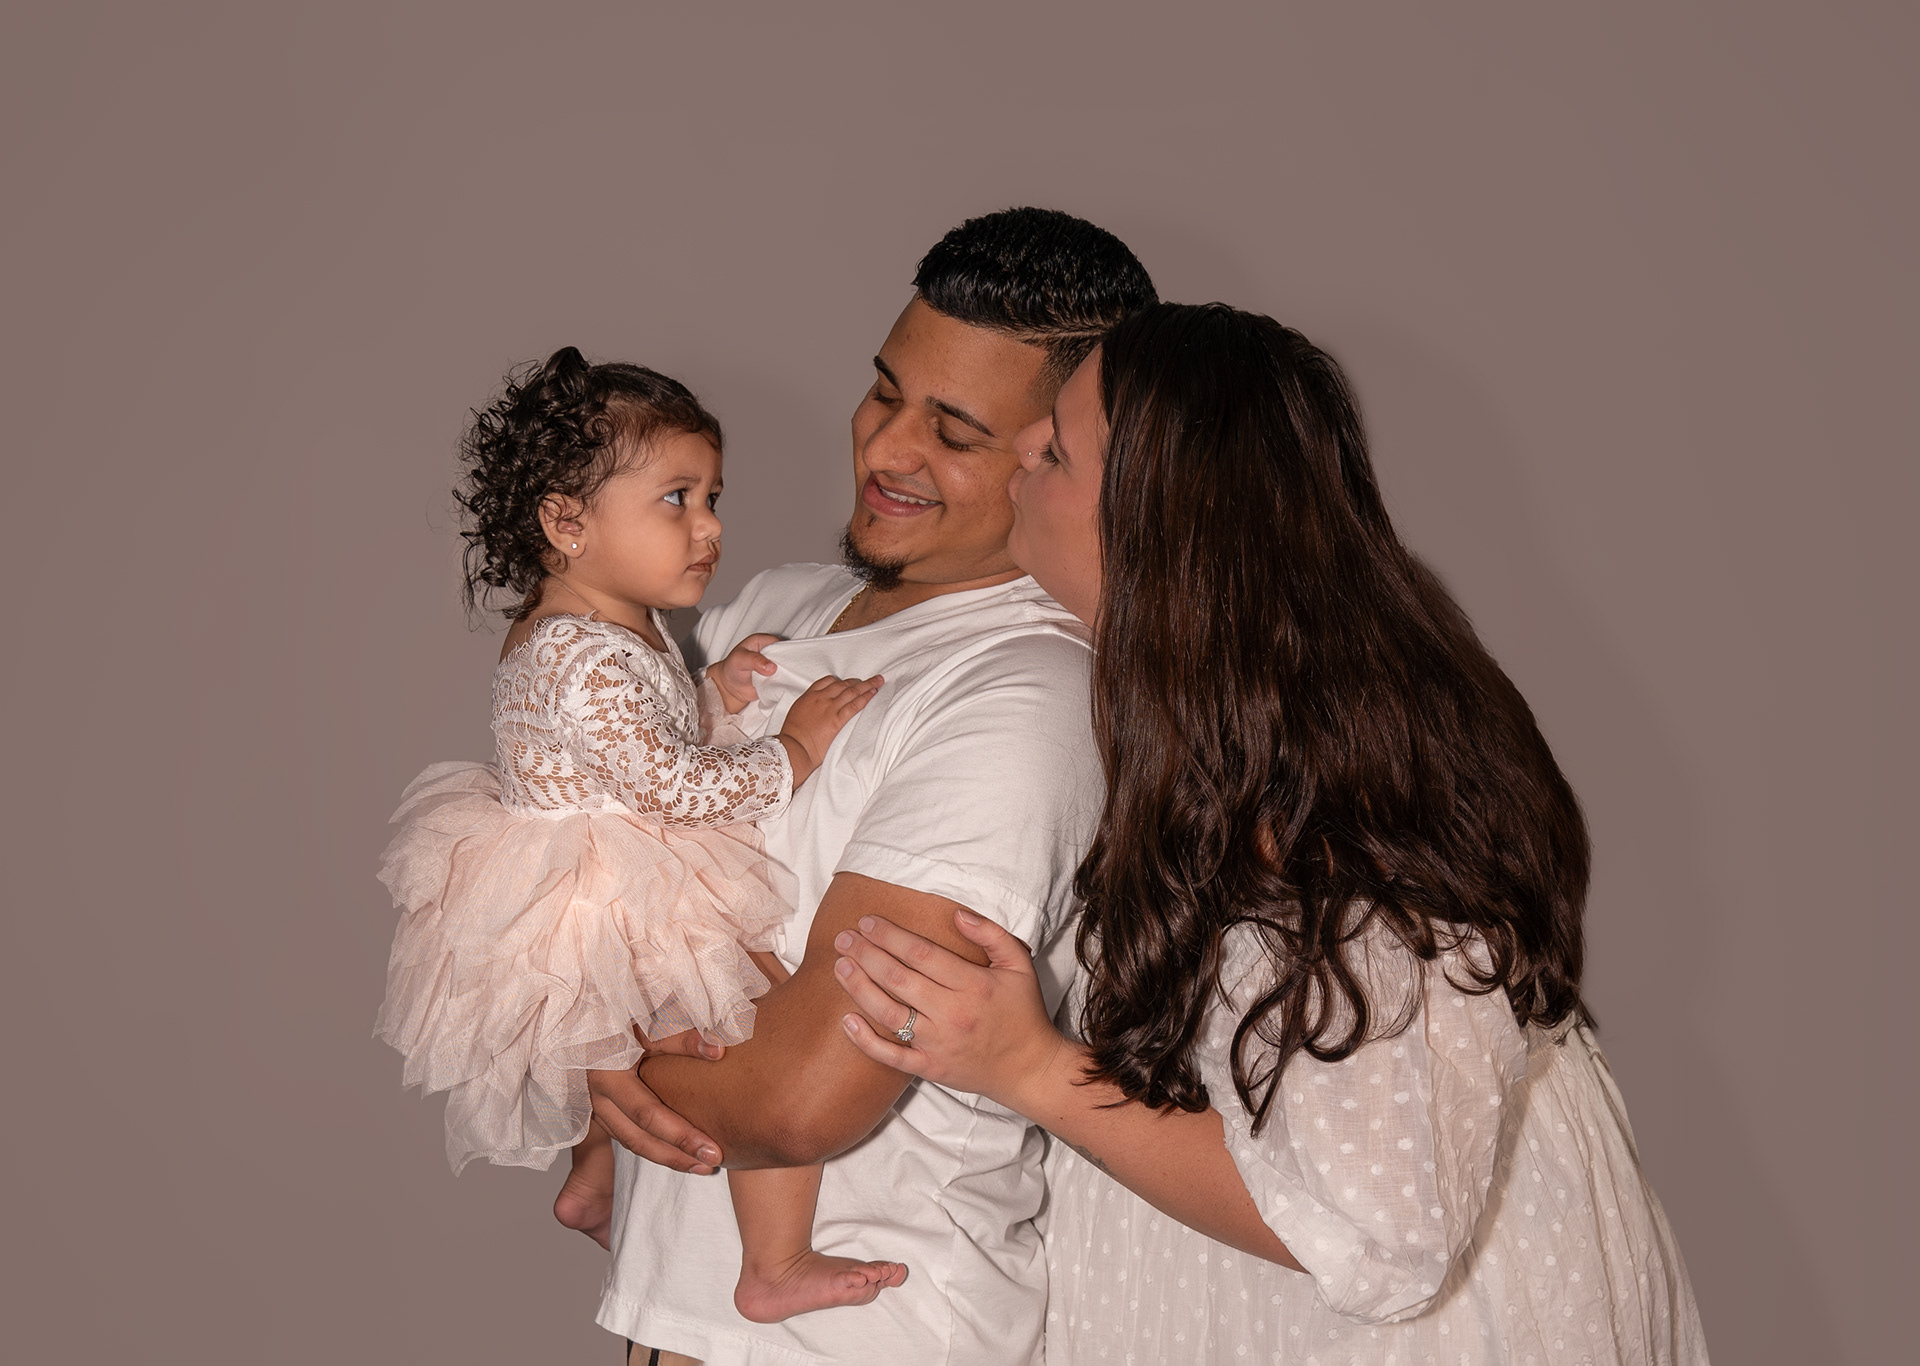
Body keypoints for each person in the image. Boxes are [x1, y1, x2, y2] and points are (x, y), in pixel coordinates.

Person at [836, 303, 1711, 1363]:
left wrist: (1027, 1066)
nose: (1021, 446)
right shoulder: (1220, 720)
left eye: (1057, 449)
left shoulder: (1336, 807)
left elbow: (1381, 1236)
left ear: (1157, 530)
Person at [585, 208, 1158, 1365]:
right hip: (677, 1325)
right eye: (885, 392)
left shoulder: (1027, 694)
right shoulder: (773, 608)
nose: (887, 449)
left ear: (1057, 457)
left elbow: (801, 1094)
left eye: (954, 432)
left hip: (868, 1331)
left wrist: (585, 1035)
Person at [374, 347, 912, 1323]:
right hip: (611, 890)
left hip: (594, 870)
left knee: (620, 1037)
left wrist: (715, 692)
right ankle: (774, 1259)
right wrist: (793, 747)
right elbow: (671, 783)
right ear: (566, 522)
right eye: (676, 499)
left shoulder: (604, 622)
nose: (710, 526)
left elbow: (642, 736)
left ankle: (593, 1179)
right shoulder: (582, 656)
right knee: (753, 1016)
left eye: (712, 497)